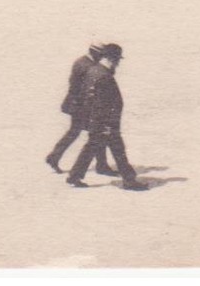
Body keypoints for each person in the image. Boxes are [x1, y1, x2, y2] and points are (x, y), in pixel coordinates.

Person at [66, 44, 147, 190]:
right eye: (117, 60)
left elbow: (87, 98)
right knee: (118, 151)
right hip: (106, 122)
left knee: (91, 148)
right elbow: (102, 103)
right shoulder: (104, 76)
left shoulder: (93, 71)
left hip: (98, 121)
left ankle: (74, 176)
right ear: (111, 59)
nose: (118, 63)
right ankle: (129, 181)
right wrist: (107, 125)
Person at [46, 44, 119, 176]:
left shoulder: (87, 62)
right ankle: (54, 157)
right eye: (101, 54)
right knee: (91, 133)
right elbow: (80, 87)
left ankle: (101, 164)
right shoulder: (85, 65)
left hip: (82, 104)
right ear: (94, 52)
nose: (103, 58)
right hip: (80, 106)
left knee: (93, 133)